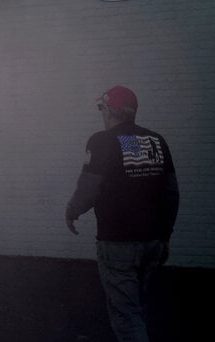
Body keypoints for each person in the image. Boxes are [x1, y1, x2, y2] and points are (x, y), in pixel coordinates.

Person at [65, 85, 180, 342]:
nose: (101, 114)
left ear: (110, 110)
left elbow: (88, 189)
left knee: (125, 317)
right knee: (138, 305)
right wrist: (166, 236)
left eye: (101, 108)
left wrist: (71, 211)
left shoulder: (102, 141)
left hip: (118, 244)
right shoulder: (154, 141)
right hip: (153, 242)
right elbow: (171, 194)